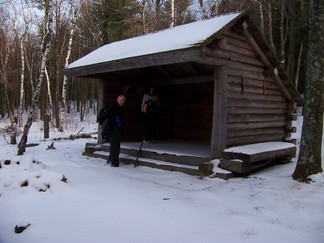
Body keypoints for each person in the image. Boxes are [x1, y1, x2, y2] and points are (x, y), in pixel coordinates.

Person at [101, 94, 126, 167]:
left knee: (114, 144)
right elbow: (109, 117)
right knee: (115, 145)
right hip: (113, 129)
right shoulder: (113, 107)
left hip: (115, 129)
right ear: (117, 99)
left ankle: (111, 159)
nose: (122, 102)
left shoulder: (119, 107)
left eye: (123, 100)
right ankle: (114, 162)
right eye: (120, 100)